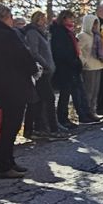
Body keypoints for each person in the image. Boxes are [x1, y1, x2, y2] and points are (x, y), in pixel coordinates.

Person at [0, 4, 37, 177]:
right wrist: (33, 69)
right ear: (5, 17)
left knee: (9, 125)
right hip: (14, 85)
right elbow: (23, 56)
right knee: (10, 126)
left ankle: (9, 160)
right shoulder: (7, 35)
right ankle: (4, 165)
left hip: (2, 85)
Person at [20, 10, 63, 140]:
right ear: (37, 20)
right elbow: (34, 52)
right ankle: (53, 129)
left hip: (47, 71)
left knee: (40, 101)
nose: (45, 21)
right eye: (42, 19)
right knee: (49, 99)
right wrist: (46, 65)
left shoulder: (43, 33)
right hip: (40, 72)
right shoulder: (33, 33)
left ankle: (40, 127)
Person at [51, 10, 94, 127]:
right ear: (64, 19)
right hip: (64, 68)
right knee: (65, 95)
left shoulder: (69, 32)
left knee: (78, 92)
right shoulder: (59, 32)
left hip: (73, 67)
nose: (72, 21)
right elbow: (61, 51)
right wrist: (73, 61)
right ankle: (63, 119)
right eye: (70, 18)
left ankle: (84, 114)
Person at [78, 9, 103, 121]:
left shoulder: (97, 36)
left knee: (96, 91)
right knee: (88, 92)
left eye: (97, 23)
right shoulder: (82, 36)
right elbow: (78, 51)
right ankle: (86, 113)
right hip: (89, 67)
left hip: (98, 65)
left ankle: (93, 111)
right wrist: (84, 61)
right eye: (93, 23)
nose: (95, 25)